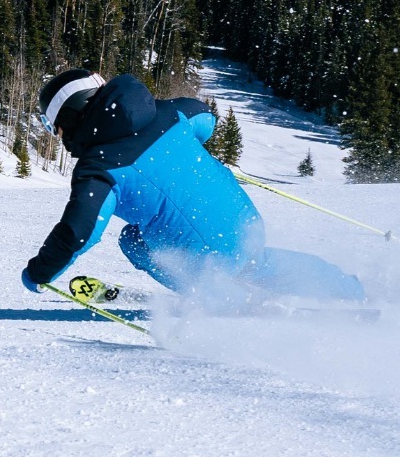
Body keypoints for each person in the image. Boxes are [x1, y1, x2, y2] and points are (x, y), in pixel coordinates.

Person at [20, 68, 365, 307]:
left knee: (133, 241)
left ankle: (219, 298)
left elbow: (78, 232)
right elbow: (206, 118)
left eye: (54, 127)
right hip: (246, 225)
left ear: (71, 116)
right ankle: (348, 289)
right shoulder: (170, 113)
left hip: (206, 258)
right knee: (256, 261)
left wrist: (39, 271)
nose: (59, 136)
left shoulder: (100, 168)